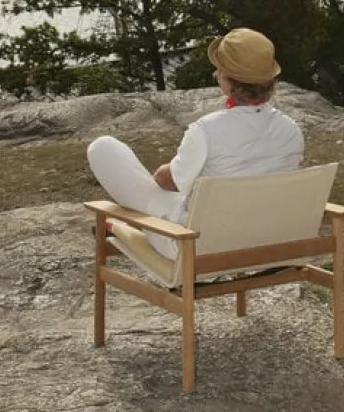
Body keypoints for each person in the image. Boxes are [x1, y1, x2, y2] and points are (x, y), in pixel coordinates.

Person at [86, 28, 304, 257]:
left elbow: (165, 181)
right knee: (187, 196)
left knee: (102, 148)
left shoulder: (207, 130)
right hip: (266, 239)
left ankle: (124, 226)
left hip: (194, 245)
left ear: (229, 81)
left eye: (220, 69)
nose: (215, 73)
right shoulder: (291, 130)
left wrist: (171, 169)